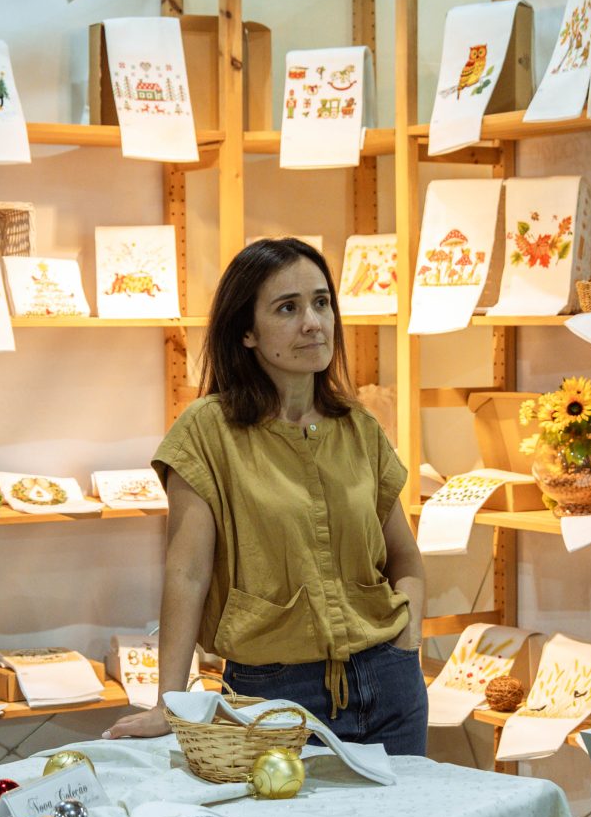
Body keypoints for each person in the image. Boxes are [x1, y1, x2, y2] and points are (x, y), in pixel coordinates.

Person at [106, 237, 428, 752]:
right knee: (283, 810)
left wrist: (407, 647)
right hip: (274, 697)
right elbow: (188, 574)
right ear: (247, 332)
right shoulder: (207, 431)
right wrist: (169, 702)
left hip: (390, 685)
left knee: (409, 809)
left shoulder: (359, 427)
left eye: (321, 302)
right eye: (288, 308)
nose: (313, 323)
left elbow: (405, 559)